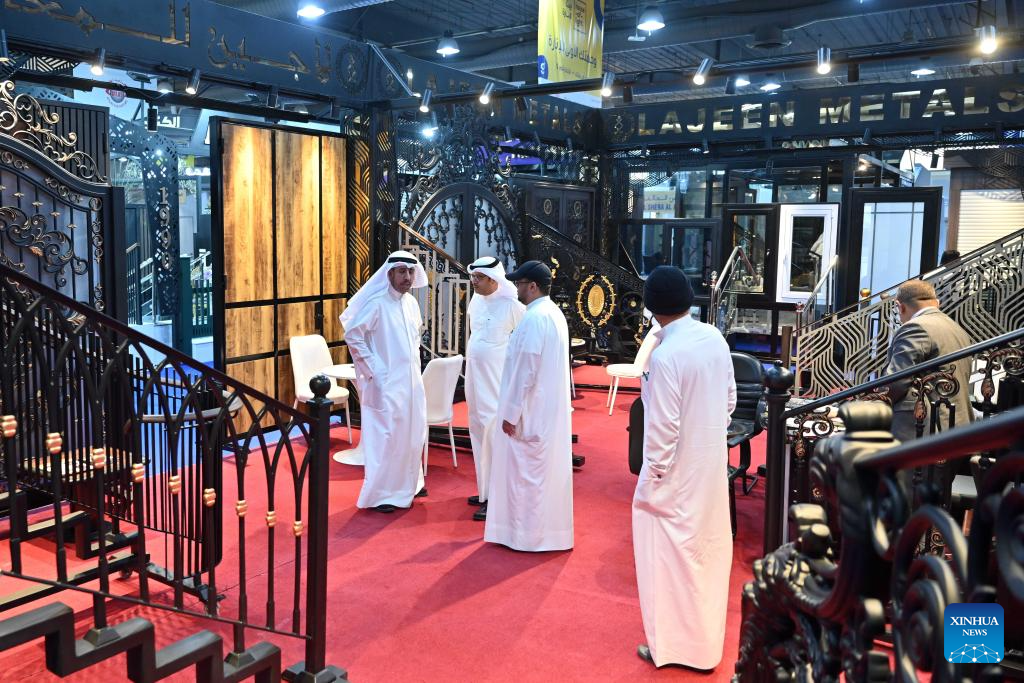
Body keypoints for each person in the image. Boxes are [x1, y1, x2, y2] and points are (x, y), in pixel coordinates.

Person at [632, 266, 736, 671]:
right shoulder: (713, 337)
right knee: (707, 551)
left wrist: (651, 480)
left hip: (673, 474)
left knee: (667, 558)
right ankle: (706, 645)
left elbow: (662, 430)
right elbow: (729, 401)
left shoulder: (665, 355)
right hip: (709, 464)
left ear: (651, 306)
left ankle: (674, 648)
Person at [484, 260, 573, 552]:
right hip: (545, 409)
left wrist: (510, 414)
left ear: (532, 286)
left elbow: (525, 371)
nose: (516, 289)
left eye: (519, 284)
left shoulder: (534, 318)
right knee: (538, 473)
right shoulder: (553, 313)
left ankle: (525, 537)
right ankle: (541, 534)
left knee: (525, 475)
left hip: (530, 411)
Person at [340, 251, 428, 513]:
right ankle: (381, 495)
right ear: (389, 274)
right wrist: (374, 370)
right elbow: (353, 335)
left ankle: (410, 484)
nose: (407, 277)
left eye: (410, 272)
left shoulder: (411, 303)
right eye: (402, 272)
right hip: (386, 384)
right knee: (386, 438)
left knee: (412, 434)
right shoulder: (377, 303)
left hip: (411, 383)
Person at [464, 256, 525, 522]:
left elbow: (523, 343)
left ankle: (498, 498)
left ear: (494, 280)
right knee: (478, 429)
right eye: (473, 277)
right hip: (475, 378)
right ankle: (485, 491)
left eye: (479, 278)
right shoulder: (477, 301)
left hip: (497, 382)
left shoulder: (512, 306)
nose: (474, 282)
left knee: (494, 434)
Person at [883, 279, 973, 444]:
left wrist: (868, 405)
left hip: (925, 429)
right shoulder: (957, 328)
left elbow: (895, 382)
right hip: (957, 424)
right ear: (937, 303)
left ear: (900, 307)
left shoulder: (915, 327)